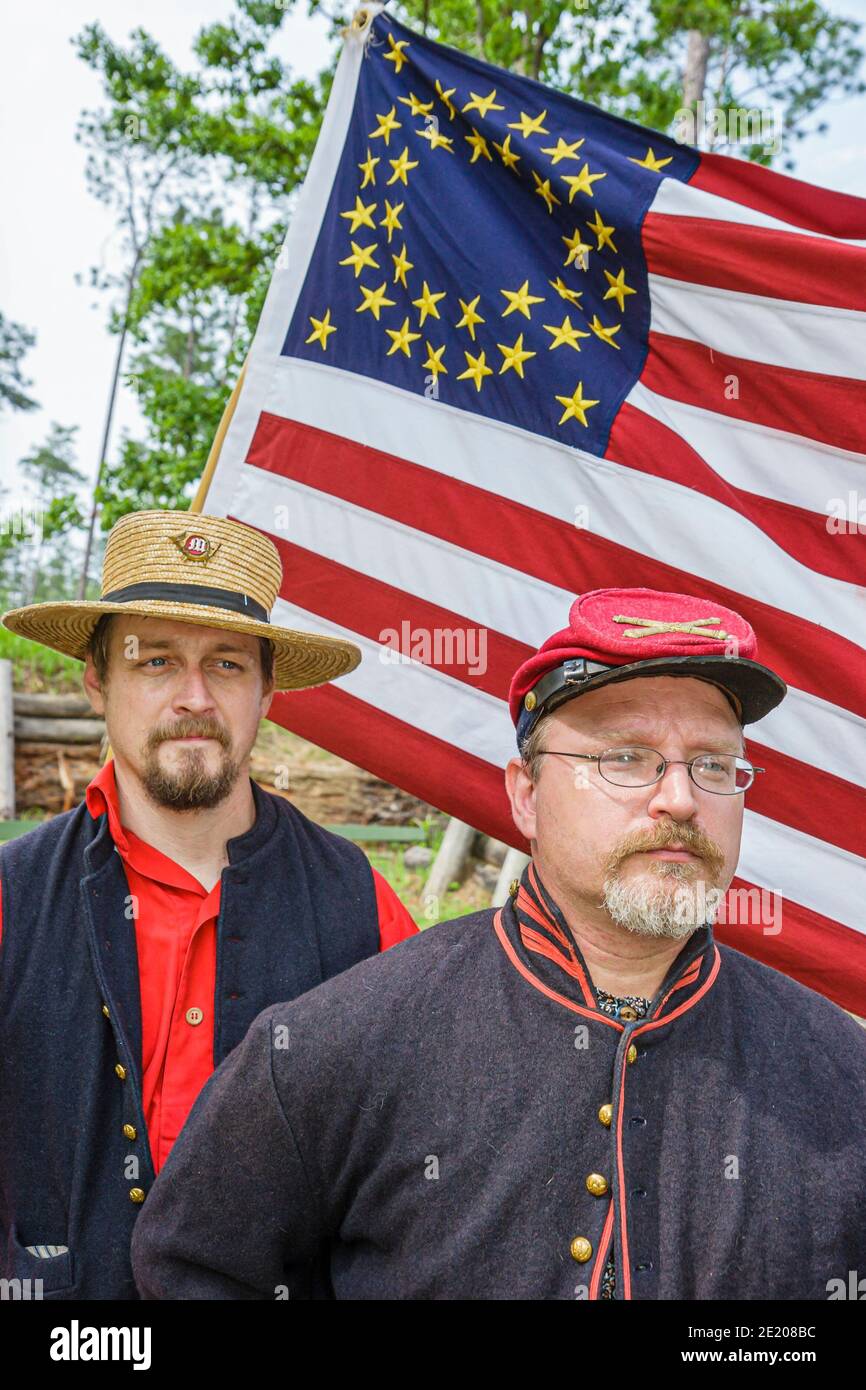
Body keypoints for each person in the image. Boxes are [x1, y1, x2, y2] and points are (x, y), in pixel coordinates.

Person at [130, 586, 866, 1301]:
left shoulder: (841, 1073)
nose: (680, 799)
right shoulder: (337, 1043)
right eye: (625, 758)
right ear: (526, 795)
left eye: (713, 766)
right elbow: (196, 1267)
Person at [0, 509, 417, 1299]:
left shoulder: (360, 903)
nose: (194, 697)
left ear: (267, 692)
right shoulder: (10, 896)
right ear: (98, 681)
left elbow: (419, 1162)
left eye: (226, 665)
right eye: (155, 660)